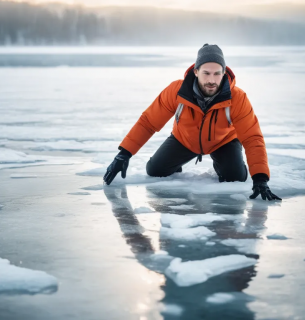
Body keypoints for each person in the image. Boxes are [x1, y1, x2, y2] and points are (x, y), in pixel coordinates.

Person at [103, 44, 281, 201]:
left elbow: (251, 137)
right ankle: (177, 163)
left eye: (217, 73)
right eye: (206, 73)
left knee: (235, 177)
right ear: (196, 72)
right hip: (184, 139)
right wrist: (124, 154)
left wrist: (260, 178)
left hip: (223, 141)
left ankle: (225, 163)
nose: (212, 80)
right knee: (155, 170)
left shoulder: (238, 98)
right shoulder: (176, 91)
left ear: (224, 73)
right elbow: (148, 122)